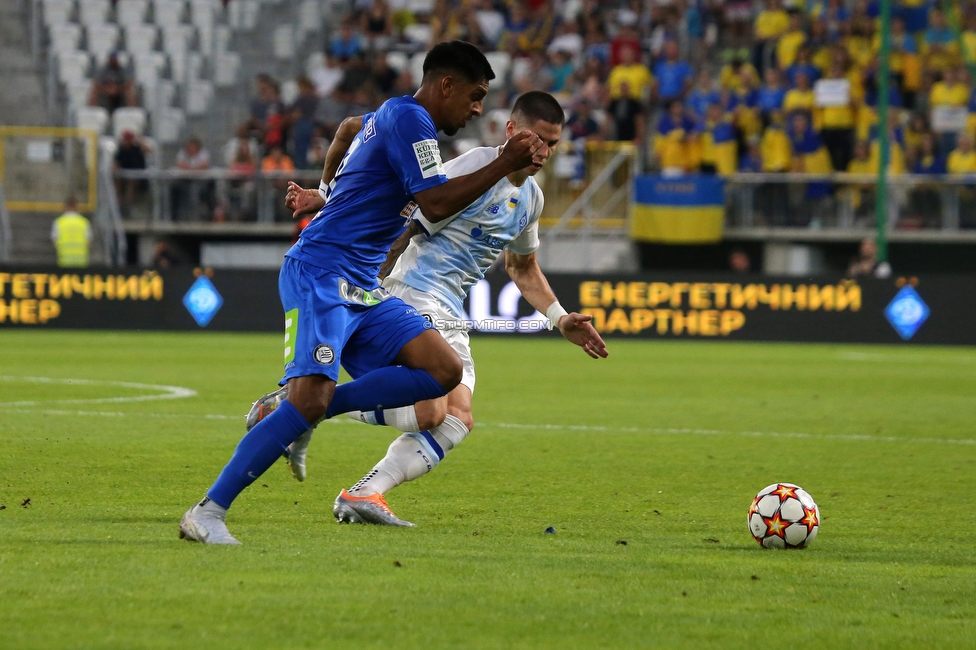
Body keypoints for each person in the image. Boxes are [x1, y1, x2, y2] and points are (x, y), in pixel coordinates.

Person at [178, 41, 543, 545]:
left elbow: (351, 129)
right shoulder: (409, 117)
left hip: (362, 285)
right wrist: (504, 162)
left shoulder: (397, 119)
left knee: (442, 371)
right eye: (476, 95)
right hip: (322, 273)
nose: (478, 108)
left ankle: (295, 407)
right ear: (446, 85)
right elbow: (434, 204)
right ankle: (208, 512)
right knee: (311, 399)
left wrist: (325, 191)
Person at [246, 91, 608, 525]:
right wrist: (364, 286)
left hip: (449, 305)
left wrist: (559, 317)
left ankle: (359, 489)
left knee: (454, 418)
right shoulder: (474, 166)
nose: (543, 152)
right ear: (512, 130)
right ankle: (300, 407)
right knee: (433, 410)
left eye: (553, 144)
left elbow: (522, 266)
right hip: (414, 292)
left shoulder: (531, 199)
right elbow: (404, 216)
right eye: (538, 139)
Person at [51, 197, 92, 268]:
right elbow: (89, 242)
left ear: (65, 207)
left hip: (64, 261)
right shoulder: (84, 222)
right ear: (77, 207)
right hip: (81, 261)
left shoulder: (59, 222)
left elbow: (55, 241)